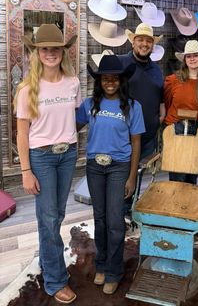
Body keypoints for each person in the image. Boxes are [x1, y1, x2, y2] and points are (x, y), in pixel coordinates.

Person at [14, 24, 80, 304]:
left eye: (55, 48)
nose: (50, 53)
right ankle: (54, 280)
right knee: (49, 218)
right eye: (45, 49)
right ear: (37, 52)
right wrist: (26, 170)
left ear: (62, 52)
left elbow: (74, 116)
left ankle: (47, 260)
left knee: (56, 215)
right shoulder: (28, 88)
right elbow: (22, 132)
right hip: (41, 156)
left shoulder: (72, 82)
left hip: (68, 154)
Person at [76, 55, 145, 295]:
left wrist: (132, 177)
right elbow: (69, 126)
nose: (110, 82)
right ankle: (102, 265)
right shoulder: (89, 105)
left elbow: (136, 142)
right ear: (100, 81)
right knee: (100, 218)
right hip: (95, 166)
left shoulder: (133, 106)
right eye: (106, 78)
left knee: (116, 222)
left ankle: (115, 271)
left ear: (121, 81)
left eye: (114, 79)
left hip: (119, 167)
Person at [119, 23, 165, 213]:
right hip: (123, 133)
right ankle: (120, 211)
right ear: (133, 42)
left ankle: (130, 208)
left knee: (138, 172)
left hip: (147, 133)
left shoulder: (156, 70)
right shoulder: (121, 63)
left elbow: (160, 96)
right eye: (140, 40)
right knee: (121, 173)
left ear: (153, 45)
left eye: (148, 40)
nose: (144, 44)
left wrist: (161, 115)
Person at [164, 40, 198, 184]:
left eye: (195, 55)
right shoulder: (172, 80)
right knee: (177, 176)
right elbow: (167, 103)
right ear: (184, 59)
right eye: (188, 56)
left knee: (192, 176)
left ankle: (187, 206)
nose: (192, 58)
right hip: (176, 130)